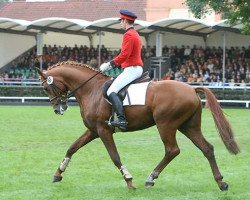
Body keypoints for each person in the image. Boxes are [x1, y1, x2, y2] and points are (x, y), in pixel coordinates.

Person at [100, 9, 143, 130]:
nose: (120, 23)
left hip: (132, 69)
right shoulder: (135, 33)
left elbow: (124, 55)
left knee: (111, 91)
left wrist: (109, 64)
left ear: (125, 21)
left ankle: (122, 120)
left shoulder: (128, 34)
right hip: (132, 68)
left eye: (121, 21)